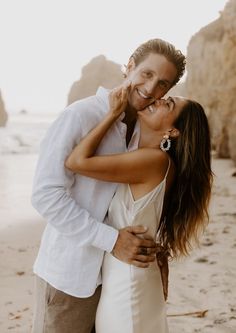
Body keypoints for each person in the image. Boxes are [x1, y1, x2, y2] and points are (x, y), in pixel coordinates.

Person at [31, 38, 186, 333]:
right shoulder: (81, 115)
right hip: (72, 277)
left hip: (117, 278)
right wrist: (112, 240)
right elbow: (45, 195)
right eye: (147, 74)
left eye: (163, 84)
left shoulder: (146, 130)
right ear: (129, 66)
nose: (152, 89)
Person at [65, 85, 213, 332]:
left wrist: (112, 114)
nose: (161, 99)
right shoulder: (150, 159)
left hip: (128, 281)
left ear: (172, 131)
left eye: (170, 104)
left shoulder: (153, 161)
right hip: (131, 273)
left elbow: (75, 162)